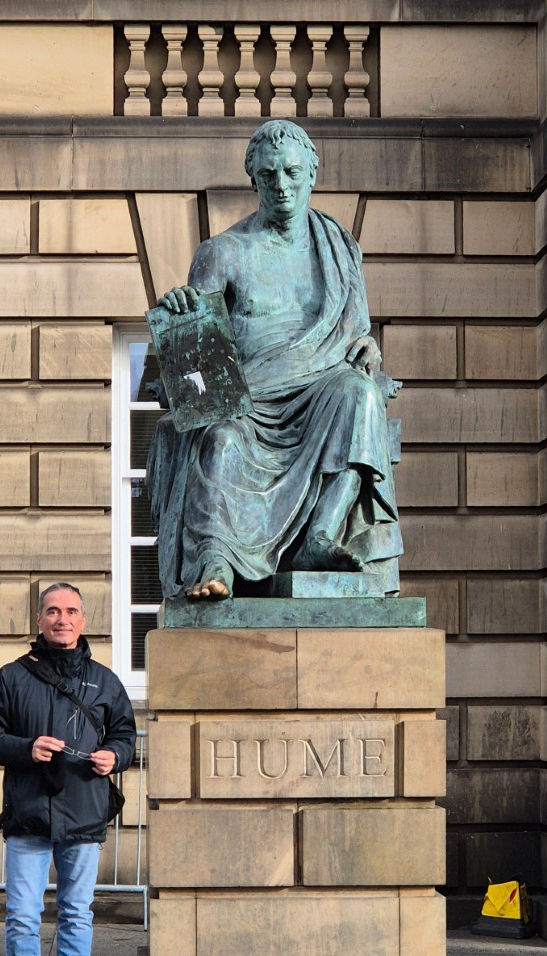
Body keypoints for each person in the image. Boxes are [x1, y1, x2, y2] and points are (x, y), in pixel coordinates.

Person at [147, 119, 402, 601]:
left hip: (320, 390)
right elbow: (196, 362)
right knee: (220, 440)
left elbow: (356, 334)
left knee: (360, 395)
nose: (281, 185)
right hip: (249, 403)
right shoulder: (221, 253)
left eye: (290, 172)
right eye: (268, 175)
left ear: (312, 174)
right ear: (254, 179)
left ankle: (319, 536)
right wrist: (181, 315)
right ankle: (215, 560)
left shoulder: (339, 250)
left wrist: (369, 349)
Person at [0, 583, 136, 956]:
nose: (62, 619)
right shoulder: (11, 676)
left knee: (76, 915)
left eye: (70, 611)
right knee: (23, 916)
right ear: (40, 620)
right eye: (52, 611)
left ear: (83, 620)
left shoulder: (105, 680)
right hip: (28, 814)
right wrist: (28, 748)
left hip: (83, 814)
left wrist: (115, 756)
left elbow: (126, 734)